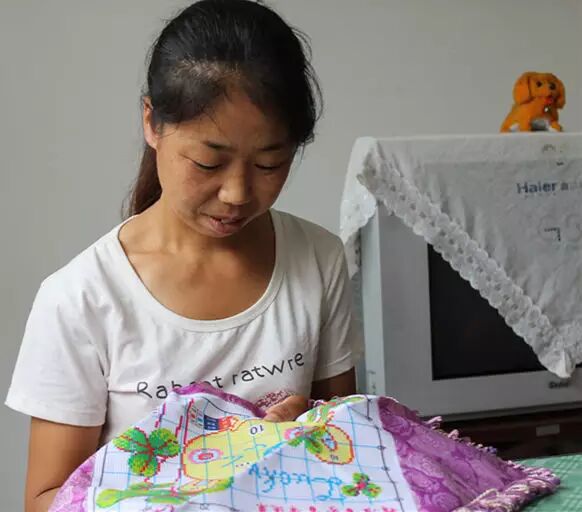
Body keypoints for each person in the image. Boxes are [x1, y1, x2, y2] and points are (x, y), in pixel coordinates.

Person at [5, 1, 362, 510]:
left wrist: (306, 433)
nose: (237, 193)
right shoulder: (81, 298)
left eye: (269, 164)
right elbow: (45, 498)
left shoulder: (317, 259)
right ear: (152, 122)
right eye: (208, 162)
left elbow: (352, 451)